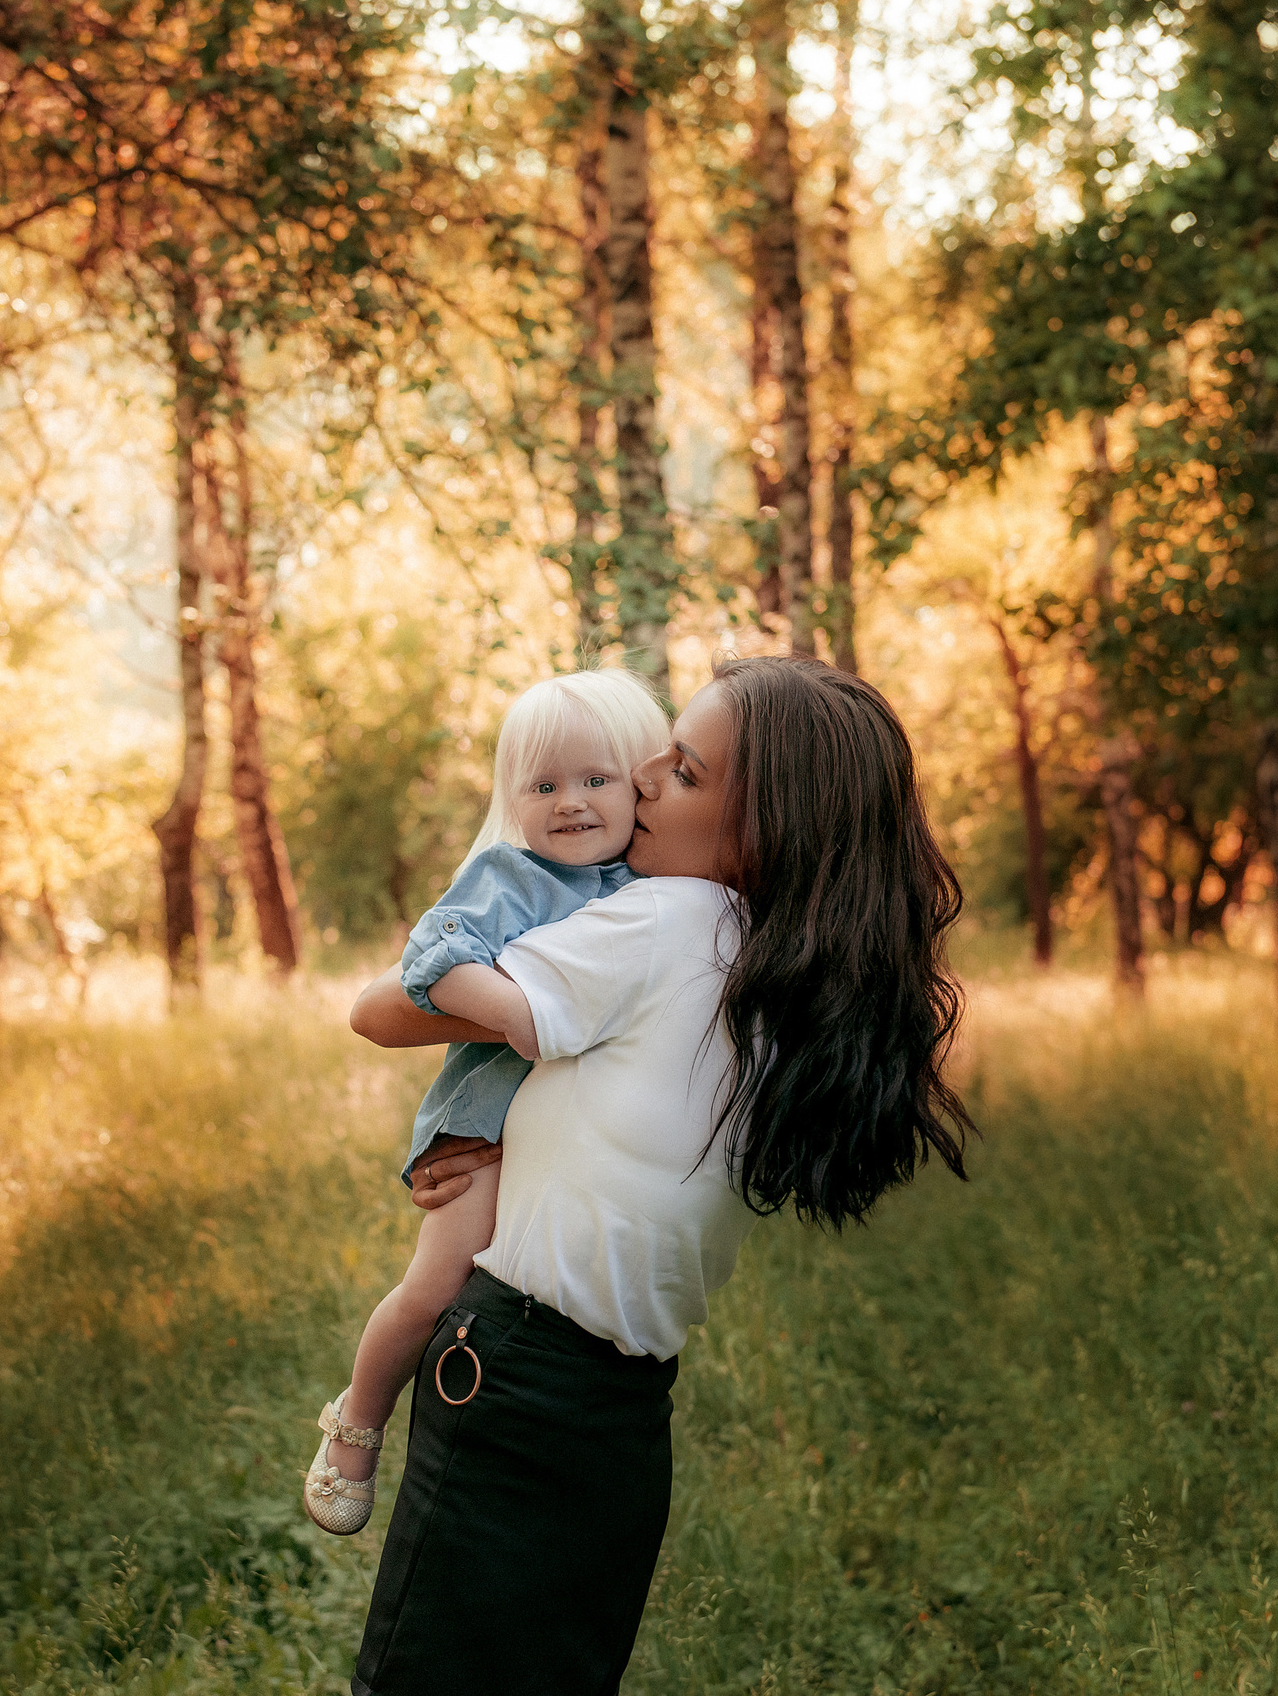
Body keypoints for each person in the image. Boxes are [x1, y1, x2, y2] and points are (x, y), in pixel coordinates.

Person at [341, 656, 973, 1696]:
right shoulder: (793, 966)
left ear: (762, 825)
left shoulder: (661, 920)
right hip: (626, 1413)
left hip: (517, 1376)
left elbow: (382, 1008)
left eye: (679, 771)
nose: (638, 785)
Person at [302, 668, 668, 1534]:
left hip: (574, 1159)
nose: (569, 803)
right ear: (513, 798)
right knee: (437, 1284)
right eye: (543, 785)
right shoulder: (513, 875)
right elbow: (432, 953)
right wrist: (515, 1012)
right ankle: (357, 1420)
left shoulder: (648, 892)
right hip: (485, 1124)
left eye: (596, 779)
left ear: (640, 784)